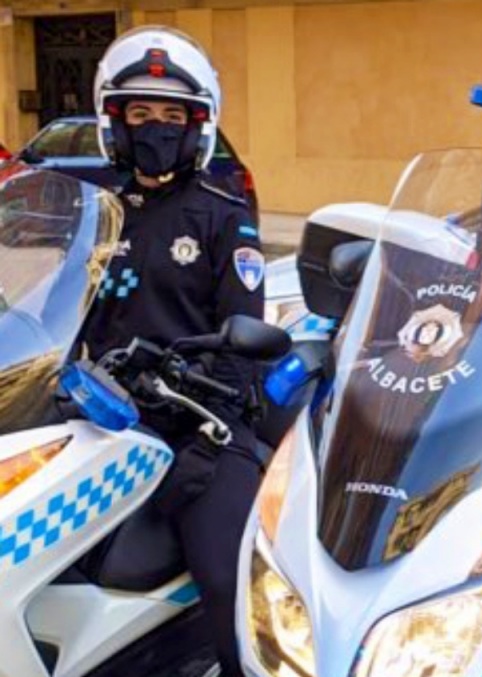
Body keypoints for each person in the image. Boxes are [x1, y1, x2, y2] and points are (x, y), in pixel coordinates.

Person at [83, 26, 264, 677]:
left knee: (226, 577)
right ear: (116, 122)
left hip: (200, 423)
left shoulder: (224, 214)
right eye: (140, 113)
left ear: (196, 126)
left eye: (171, 115)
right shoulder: (97, 210)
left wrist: (206, 443)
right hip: (101, 418)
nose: (155, 127)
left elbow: (243, 340)